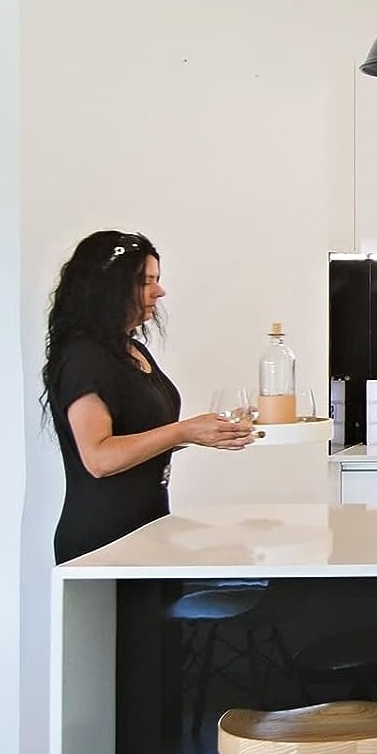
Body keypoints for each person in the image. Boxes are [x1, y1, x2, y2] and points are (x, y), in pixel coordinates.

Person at [42, 230, 255, 562]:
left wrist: (207, 431)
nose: (160, 291)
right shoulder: (83, 359)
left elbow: (141, 435)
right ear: (107, 288)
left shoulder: (132, 350)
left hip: (146, 530)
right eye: (146, 282)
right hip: (101, 541)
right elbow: (99, 459)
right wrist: (184, 431)